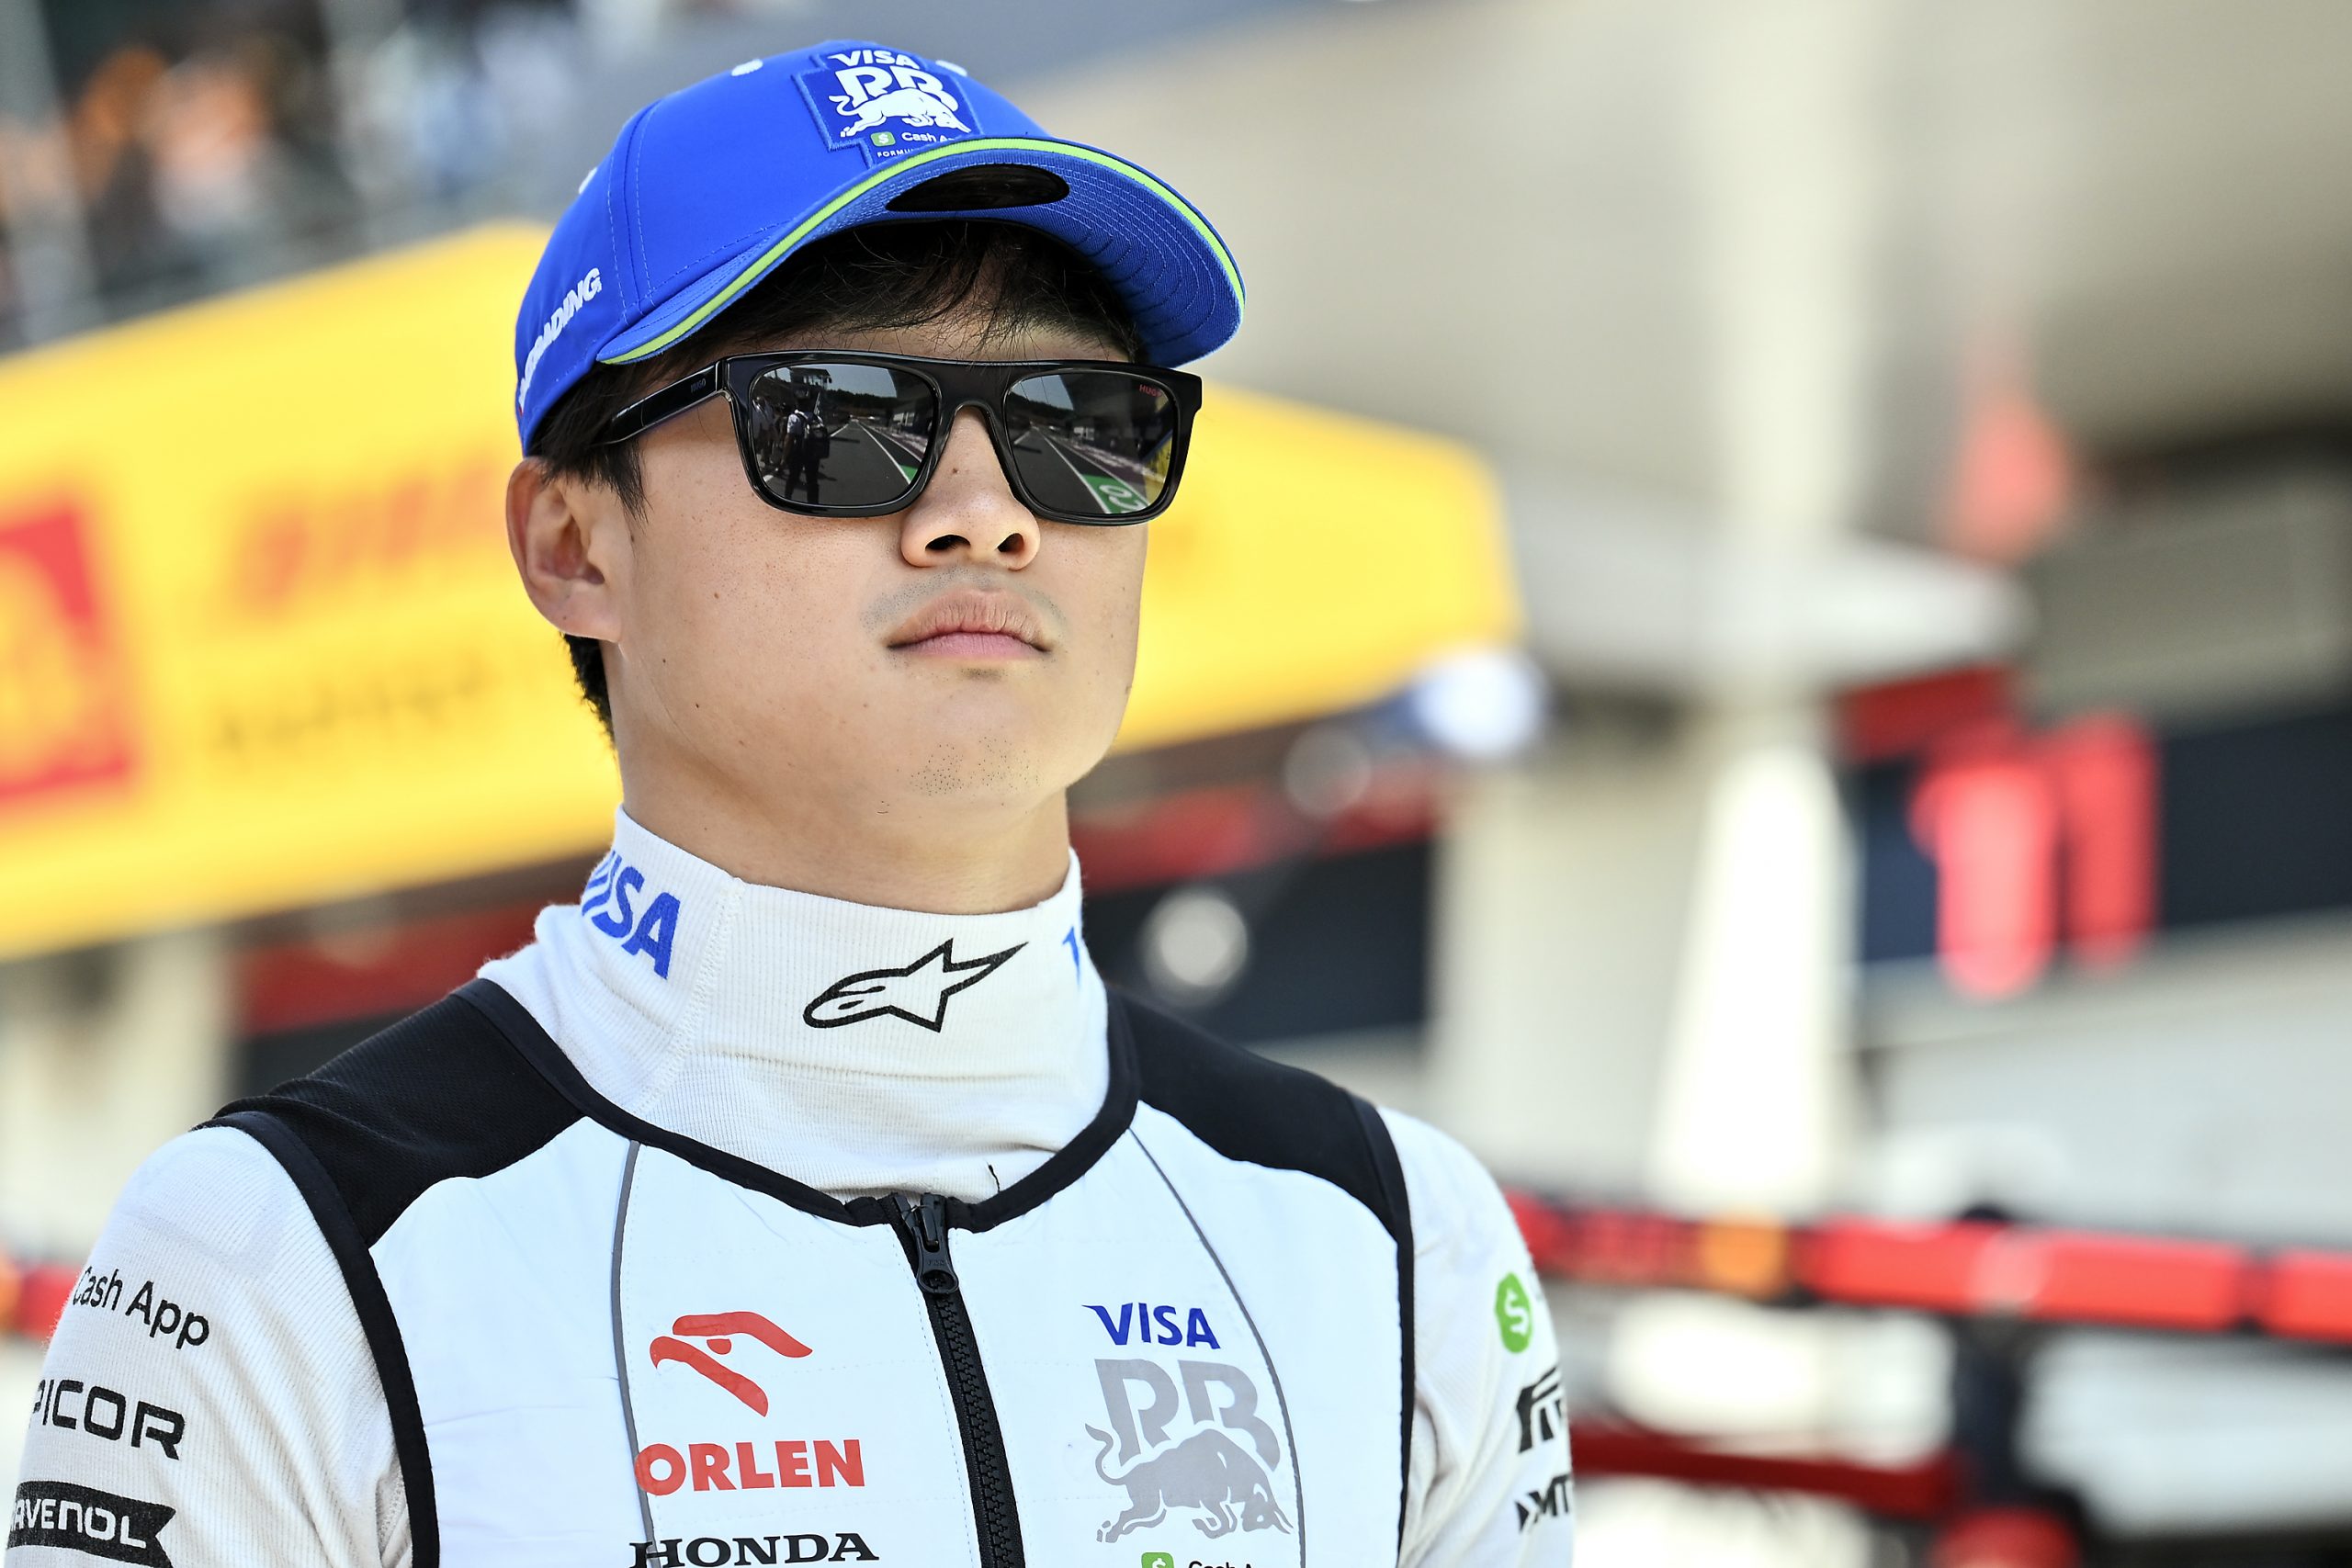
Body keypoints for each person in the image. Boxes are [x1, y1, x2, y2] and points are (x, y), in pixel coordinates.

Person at [9, 39, 1572, 1568]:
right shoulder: (282, 1254)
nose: (985, 514)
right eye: (836, 418)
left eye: (1077, 425)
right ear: (573, 544)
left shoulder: (1393, 1237)